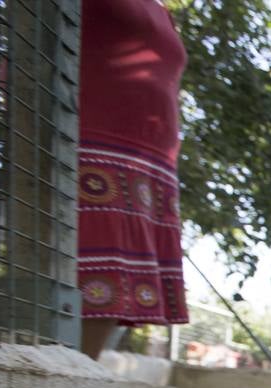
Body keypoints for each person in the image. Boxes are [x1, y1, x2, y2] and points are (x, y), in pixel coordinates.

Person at [77, 0, 188, 359]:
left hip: (150, 160)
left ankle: (75, 382)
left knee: (113, 285)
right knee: (92, 269)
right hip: (91, 136)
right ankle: (64, 387)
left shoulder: (162, 10)